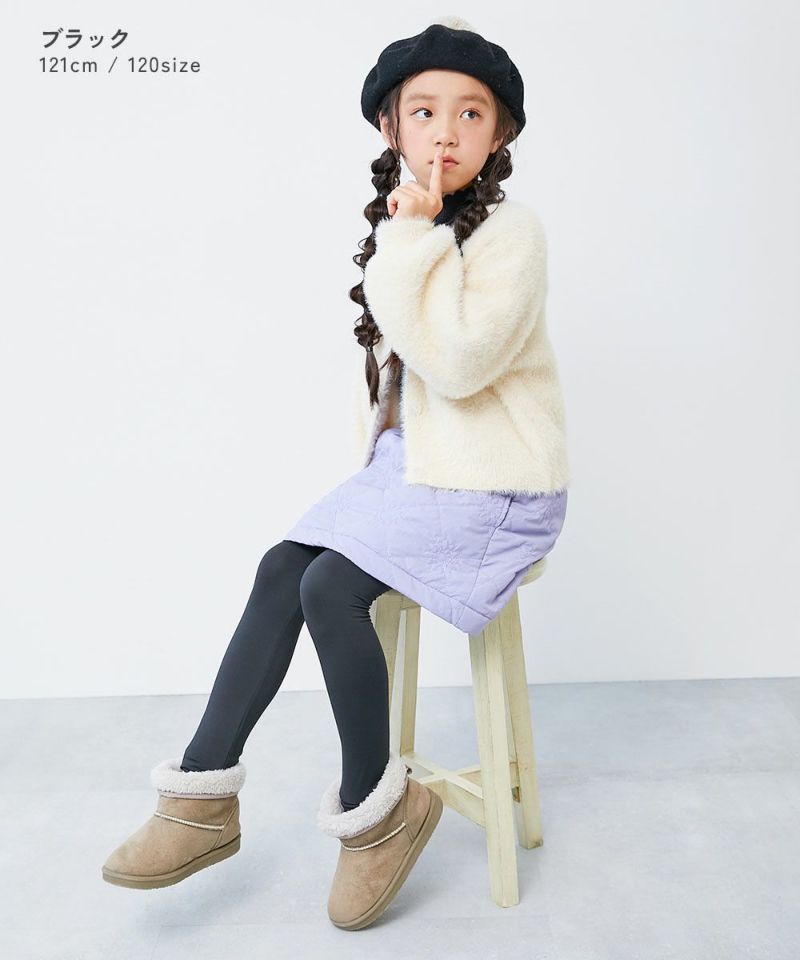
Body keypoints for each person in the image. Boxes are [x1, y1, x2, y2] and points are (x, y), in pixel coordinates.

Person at [101, 15, 570, 931]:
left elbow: (459, 364)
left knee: (331, 587)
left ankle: (376, 813)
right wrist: (410, 237)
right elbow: (399, 389)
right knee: (284, 565)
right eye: (424, 112)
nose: (445, 133)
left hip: (499, 485)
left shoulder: (512, 235)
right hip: (419, 474)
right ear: (391, 128)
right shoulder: (415, 226)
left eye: (471, 114)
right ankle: (199, 797)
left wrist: (411, 239)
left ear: (500, 134)